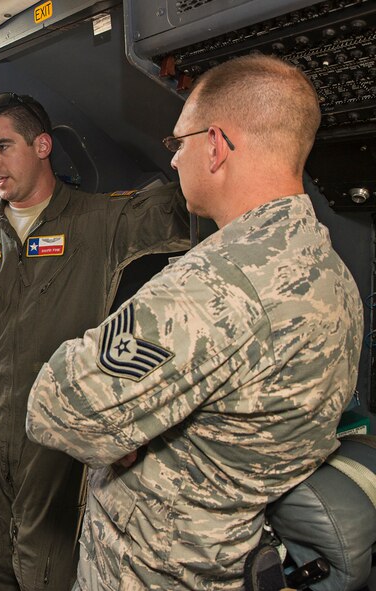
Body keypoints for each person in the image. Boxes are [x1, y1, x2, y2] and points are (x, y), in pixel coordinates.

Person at [26, 54, 363, 590]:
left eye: (179, 142)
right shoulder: (331, 271)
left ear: (216, 145)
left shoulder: (214, 283)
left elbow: (55, 405)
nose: (177, 159)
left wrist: (127, 428)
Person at [0, 92, 190, 590]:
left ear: (42, 145)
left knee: (49, 567)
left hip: (56, 428)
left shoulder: (99, 220)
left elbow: (190, 207)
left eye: (3, 146)